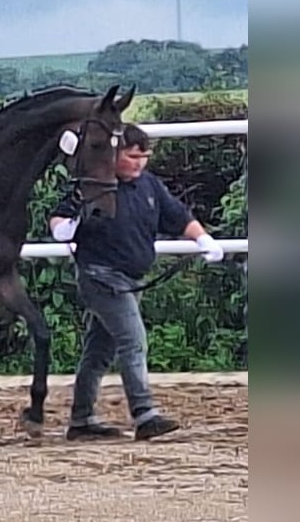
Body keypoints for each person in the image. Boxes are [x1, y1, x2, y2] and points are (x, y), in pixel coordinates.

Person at [49, 123, 224, 441]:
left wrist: (203, 239)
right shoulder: (94, 186)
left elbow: (178, 215)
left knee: (98, 351)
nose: (139, 162)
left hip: (129, 279)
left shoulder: (150, 186)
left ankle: (81, 419)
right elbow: (59, 216)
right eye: (133, 156)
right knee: (133, 340)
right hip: (100, 276)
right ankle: (144, 414)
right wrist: (65, 227)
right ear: (116, 154)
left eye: (144, 156)